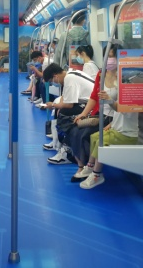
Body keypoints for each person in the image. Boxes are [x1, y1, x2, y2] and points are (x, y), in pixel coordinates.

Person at [70, 45, 118, 181]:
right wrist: (84, 114)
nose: (109, 60)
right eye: (107, 56)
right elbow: (94, 97)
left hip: (113, 117)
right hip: (100, 114)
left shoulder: (123, 77)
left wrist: (113, 123)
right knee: (75, 131)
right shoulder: (101, 74)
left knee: (86, 134)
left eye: (111, 56)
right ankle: (82, 166)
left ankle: (90, 167)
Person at [42, 63, 94, 164]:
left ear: (55, 76)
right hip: (86, 102)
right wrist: (57, 105)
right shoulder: (69, 74)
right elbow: (64, 98)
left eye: (52, 81)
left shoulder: (69, 79)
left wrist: (53, 105)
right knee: (59, 108)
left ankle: (67, 152)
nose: (53, 83)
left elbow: (69, 105)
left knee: (64, 113)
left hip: (92, 105)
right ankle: (57, 142)